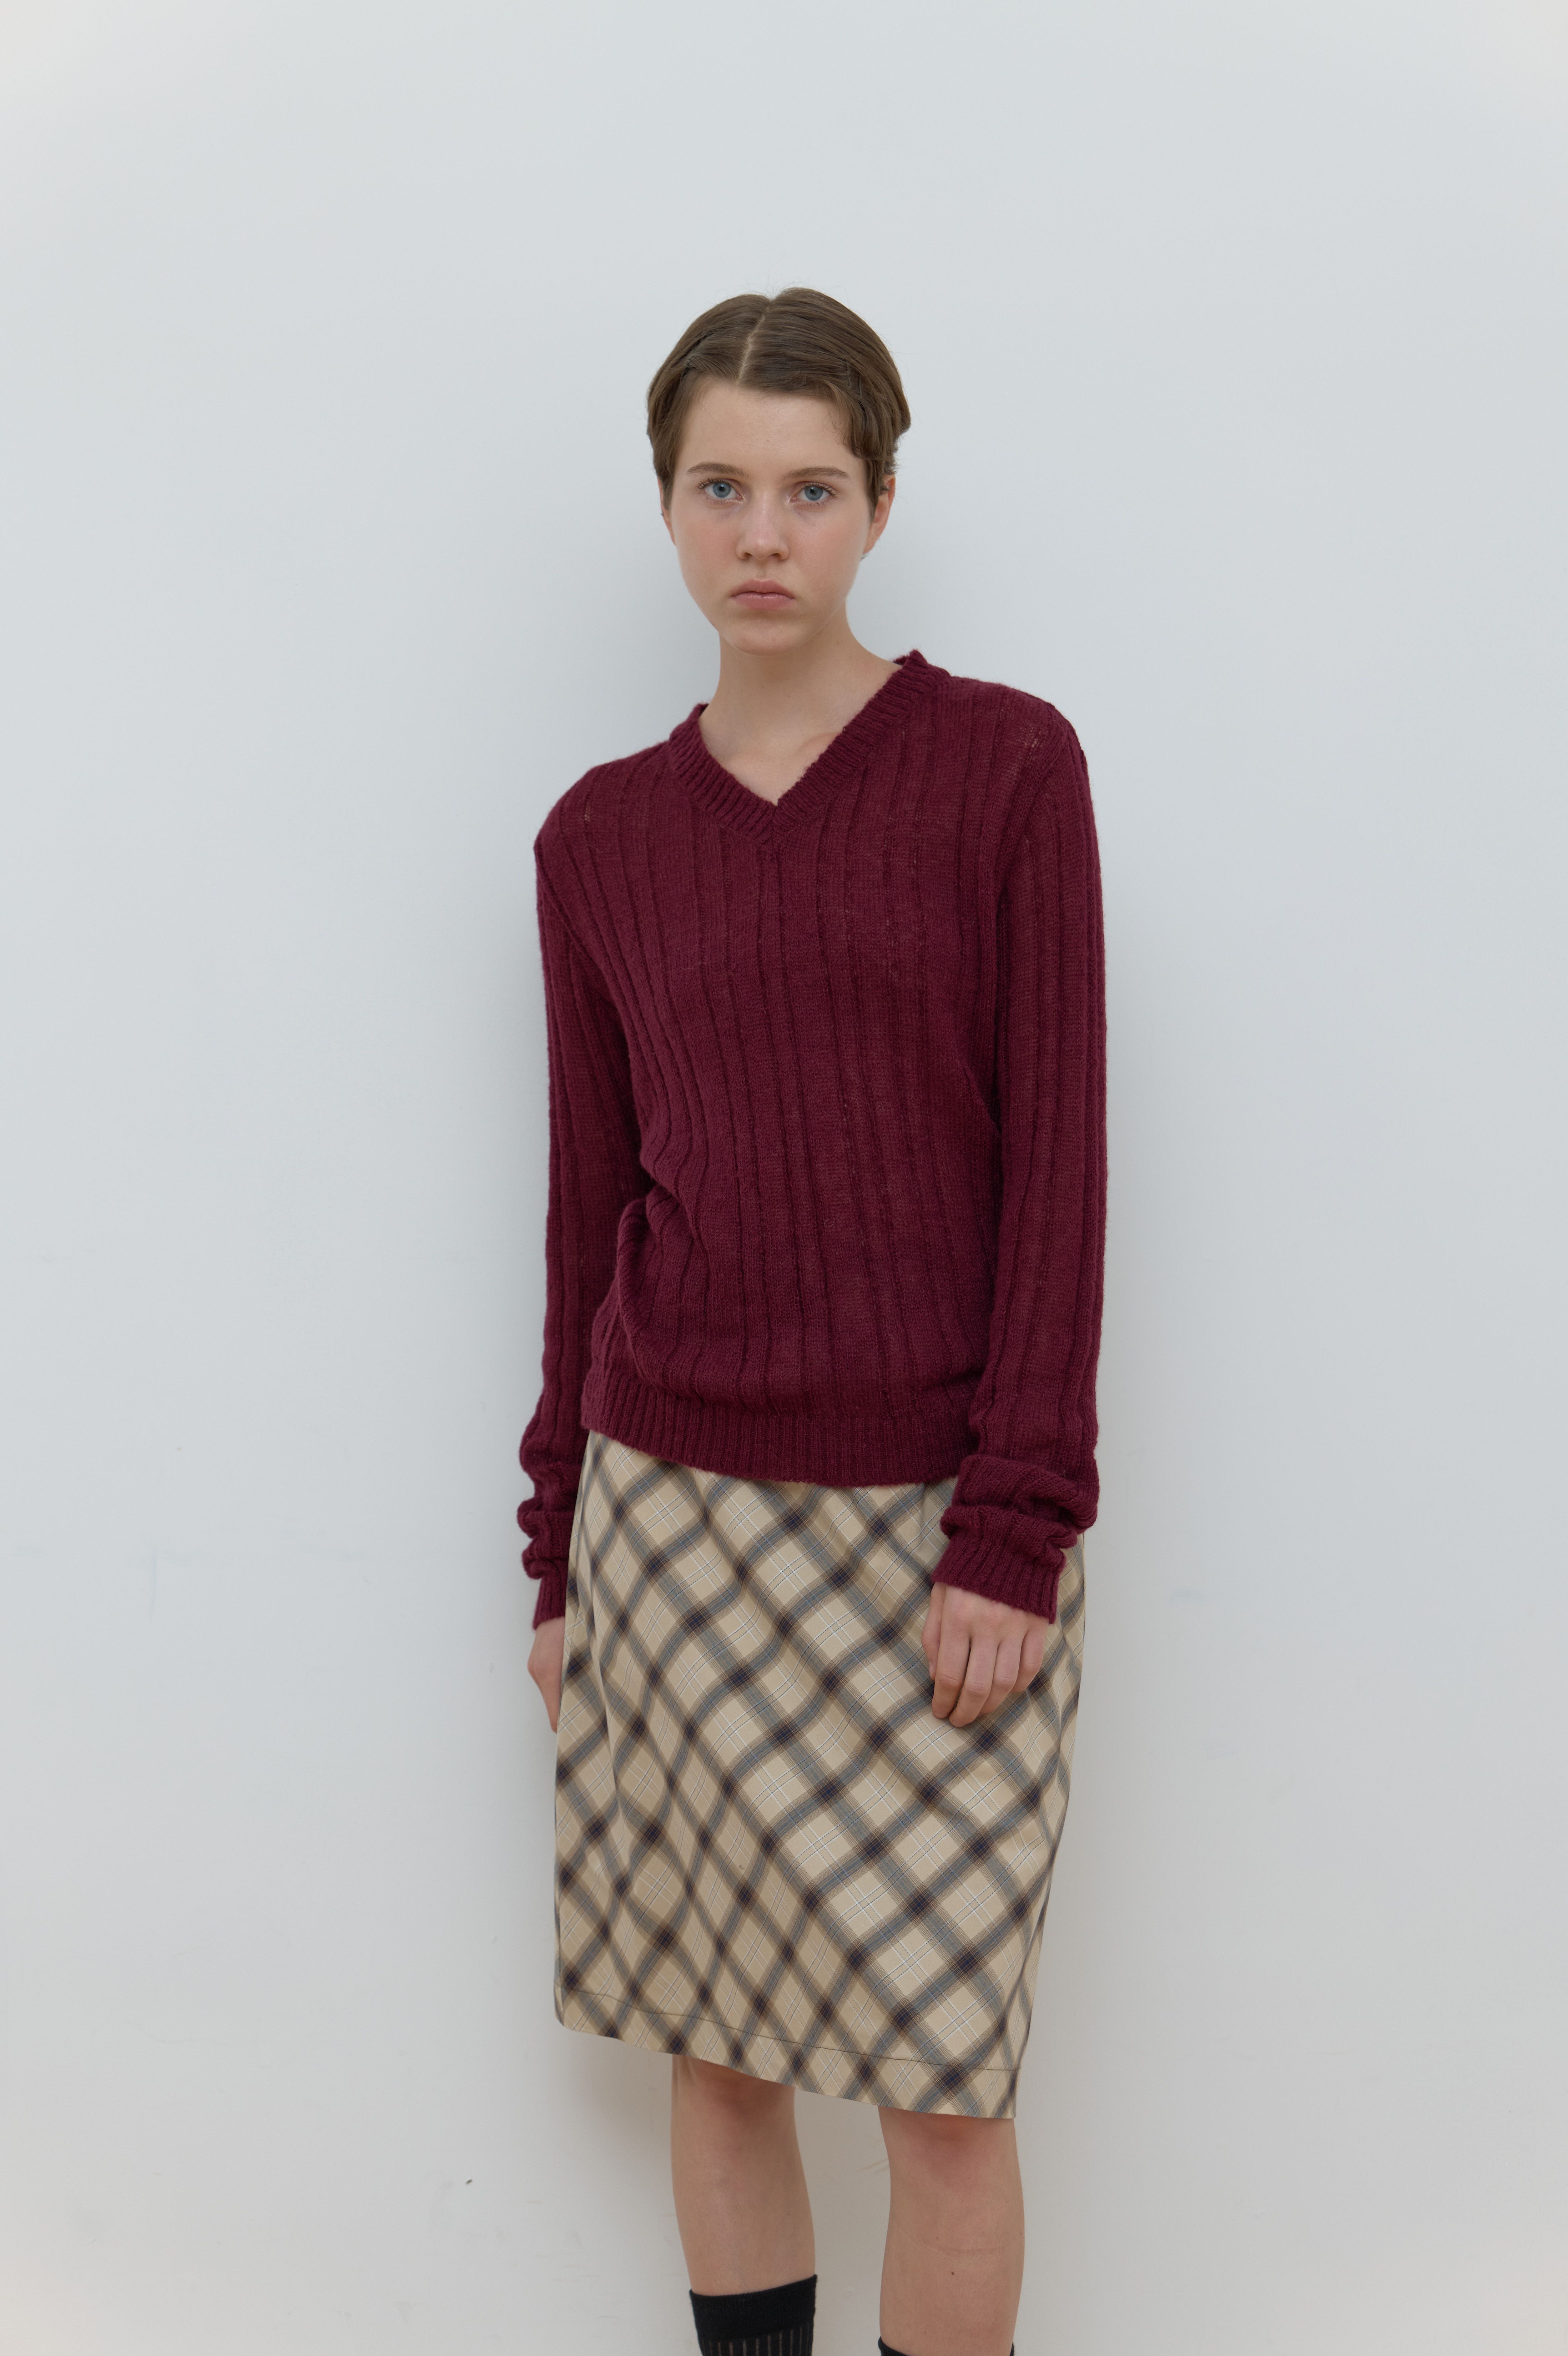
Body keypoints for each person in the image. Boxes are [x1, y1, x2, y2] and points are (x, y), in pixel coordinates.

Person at [516, 287, 1106, 2356]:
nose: (762, 533)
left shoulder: (1009, 770)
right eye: (720, 487)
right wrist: (558, 1554)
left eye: (811, 488)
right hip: (672, 1532)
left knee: (944, 2097)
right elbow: (587, 1214)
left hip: (938, 1536)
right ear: (667, 502)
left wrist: (1013, 1526)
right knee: (723, 2052)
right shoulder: (597, 839)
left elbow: (1059, 1177)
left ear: (878, 504)